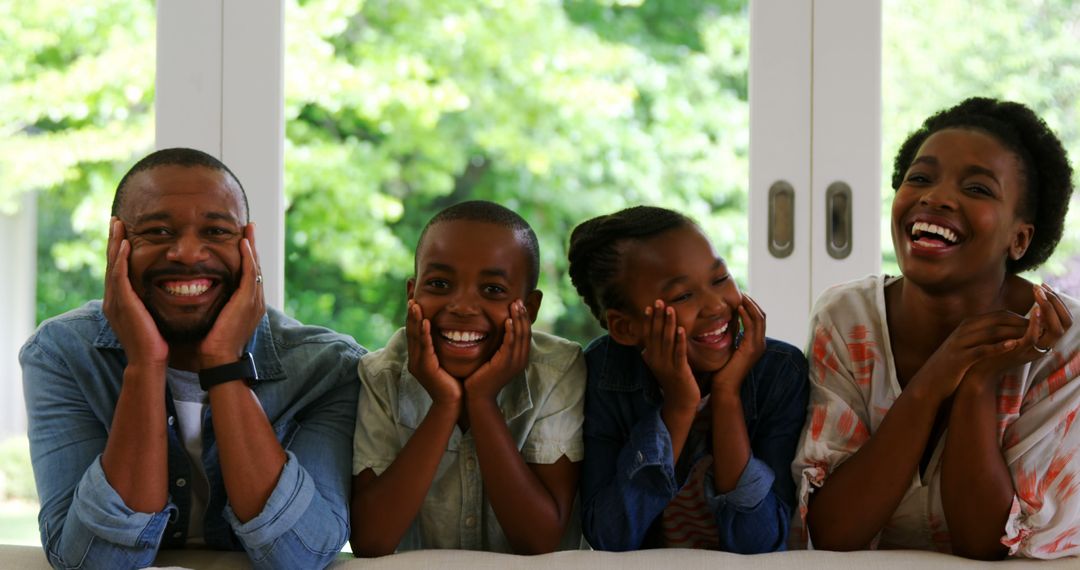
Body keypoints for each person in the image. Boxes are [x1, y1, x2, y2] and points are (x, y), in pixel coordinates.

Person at [20, 148, 364, 569]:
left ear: (248, 246)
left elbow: (300, 555)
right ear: (117, 244)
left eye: (217, 232)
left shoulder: (328, 369)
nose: (187, 253)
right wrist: (145, 363)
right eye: (158, 232)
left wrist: (223, 363)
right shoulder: (62, 355)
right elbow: (94, 561)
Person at [792, 97, 1079, 560]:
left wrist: (977, 381)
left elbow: (984, 544)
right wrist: (933, 381)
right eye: (920, 179)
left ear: (1019, 238)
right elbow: (832, 534)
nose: (936, 197)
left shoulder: (1064, 341)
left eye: (979, 189)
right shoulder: (847, 318)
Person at [567, 205, 808, 552]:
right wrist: (680, 406)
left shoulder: (779, 372)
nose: (715, 306)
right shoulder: (603, 374)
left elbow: (761, 542)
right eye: (682, 296)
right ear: (625, 326)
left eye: (720, 278)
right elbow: (612, 537)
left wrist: (727, 396)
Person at [349, 200, 585, 555]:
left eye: (492, 290)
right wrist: (445, 404)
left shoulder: (555, 371)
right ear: (412, 294)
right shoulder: (381, 375)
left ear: (530, 309)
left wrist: (482, 401)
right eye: (440, 283)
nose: (461, 306)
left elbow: (540, 542)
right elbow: (371, 541)